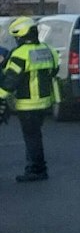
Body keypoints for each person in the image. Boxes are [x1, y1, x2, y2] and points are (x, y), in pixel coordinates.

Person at [0, 17, 58, 183]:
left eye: (16, 37)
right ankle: (36, 167)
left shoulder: (20, 54)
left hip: (27, 104)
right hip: (45, 101)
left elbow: (10, 81)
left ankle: (36, 169)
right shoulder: (47, 49)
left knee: (31, 138)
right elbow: (55, 69)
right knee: (35, 136)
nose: (16, 40)